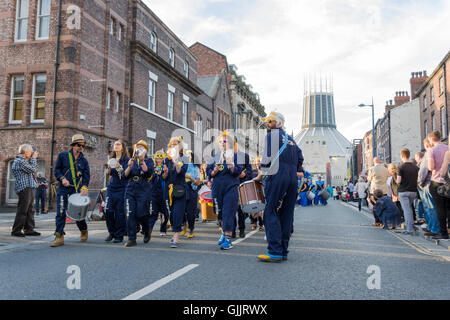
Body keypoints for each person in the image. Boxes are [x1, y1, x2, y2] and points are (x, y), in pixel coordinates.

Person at [254, 111, 304, 262]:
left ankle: (274, 250)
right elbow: (300, 160)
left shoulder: (271, 136)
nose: (268, 124)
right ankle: (283, 251)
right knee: (287, 213)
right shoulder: (292, 140)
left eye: (271, 121)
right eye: (267, 121)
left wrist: (260, 174)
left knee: (270, 210)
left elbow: (266, 158)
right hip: (292, 178)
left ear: (279, 123)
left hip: (277, 174)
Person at [51, 134, 90, 247]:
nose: (81, 148)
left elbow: (86, 177)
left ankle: (83, 230)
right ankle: (59, 236)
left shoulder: (84, 161)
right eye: (79, 145)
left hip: (77, 189)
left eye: (83, 146)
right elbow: (57, 170)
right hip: (63, 188)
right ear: (73, 145)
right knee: (61, 211)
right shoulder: (63, 156)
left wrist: (84, 187)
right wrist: (62, 179)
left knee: (78, 213)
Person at [207, 131, 243, 250]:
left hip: (231, 187)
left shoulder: (236, 156)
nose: (223, 143)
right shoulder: (215, 157)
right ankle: (223, 234)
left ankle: (228, 239)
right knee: (220, 212)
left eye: (225, 141)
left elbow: (239, 172)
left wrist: (232, 165)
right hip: (217, 187)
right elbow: (209, 172)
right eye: (221, 142)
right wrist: (214, 171)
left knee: (228, 212)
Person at [123, 140, 154, 247]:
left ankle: (146, 229)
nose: (139, 149)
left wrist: (142, 161)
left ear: (145, 150)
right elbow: (125, 175)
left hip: (143, 188)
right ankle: (132, 238)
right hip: (131, 187)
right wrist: (129, 166)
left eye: (142, 148)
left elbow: (148, 172)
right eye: (138, 147)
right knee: (130, 213)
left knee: (141, 213)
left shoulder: (149, 161)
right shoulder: (131, 160)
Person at [164, 137, 189, 248]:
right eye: (172, 144)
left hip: (180, 190)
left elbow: (180, 172)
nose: (173, 146)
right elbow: (164, 177)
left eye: (176, 144)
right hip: (169, 190)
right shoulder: (166, 159)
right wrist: (164, 172)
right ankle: (175, 231)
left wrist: (175, 160)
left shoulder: (184, 158)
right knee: (172, 215)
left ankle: (176, 238)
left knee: (177, 213)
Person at [11, 144, 41, 237]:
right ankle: (16, 230)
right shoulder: (20, 161)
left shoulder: (24, 161)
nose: (33, 153)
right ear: (26, 152)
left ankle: (29, 229)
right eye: (31, 152)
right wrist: (34, 158)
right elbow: (33, 169)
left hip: (28, 187)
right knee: (23, 209)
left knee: (30, 210)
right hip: (24, 188)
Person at [104, 140, 130, 243]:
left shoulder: (126, 159)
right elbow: (110, 173)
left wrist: (119, 168)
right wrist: (108, 171)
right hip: (111, 187)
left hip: (122, 187)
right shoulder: (111, 159)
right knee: (108, 209)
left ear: (123, 147)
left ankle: (119, 235)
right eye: (115, 144)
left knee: (119, 212)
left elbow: (125, 175)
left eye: (118, 144)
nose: (116, 145)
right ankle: (112, 232)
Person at [427, 131, 450, 240]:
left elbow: (431, 167)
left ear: (431, 139)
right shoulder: (447, 148)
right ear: (440, 137)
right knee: (448, 207)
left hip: (437, 181)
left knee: (440, 208)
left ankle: (443, 233)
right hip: (448, 182)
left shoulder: (431, 150)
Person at [416, 144, 440, 237]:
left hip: (427, 185)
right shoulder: (444, 150)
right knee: (436, 208)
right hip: (437, 183)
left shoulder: (428, 154)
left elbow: (423, 171)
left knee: (430, 208)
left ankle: (433, 228)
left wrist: (420, 183)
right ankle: (433, 228)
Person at [396, 148, 419, 235]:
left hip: (403, 191)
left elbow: (398, 181)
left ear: (402, 156)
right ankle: (411, 226)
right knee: (409, 209)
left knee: (406, 210)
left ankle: (409, 229)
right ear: (409, 155)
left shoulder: (401, 167)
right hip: (413, 191)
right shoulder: (416, 167)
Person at [149, 150, 170, 237]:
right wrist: (155, 173)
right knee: (153, 213)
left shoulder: (165, 167)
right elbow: (150, 180)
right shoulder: (152, 167)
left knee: (165, 214)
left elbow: (165, 178)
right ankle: (149, 230)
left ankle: (163, 229)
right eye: (157, 157)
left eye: (161, 157)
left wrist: (165, 172)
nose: (159, 159)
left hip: (163, 193)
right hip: (154, 193)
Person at [182, 150, 202, 239]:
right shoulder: (183, 166)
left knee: (190, 212)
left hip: (192, 190)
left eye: (190, 157)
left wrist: (191, 178)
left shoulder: (196, 168)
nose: (188, 158)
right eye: (187, 157)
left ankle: (191, 229)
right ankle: (184, 225)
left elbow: (198, 183)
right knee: (182, 210)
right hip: (182, 189)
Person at [367, 157, 389, 227]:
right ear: (380, 161)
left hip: (375, 190)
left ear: (374, 162)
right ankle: (382, 222)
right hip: (384, 190)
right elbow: (387, 177)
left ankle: (377, 221)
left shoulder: (372, 169)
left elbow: (369, 179)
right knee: (383, 206)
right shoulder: (385, 169)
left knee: (375, 207)